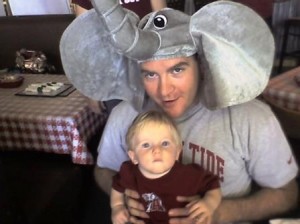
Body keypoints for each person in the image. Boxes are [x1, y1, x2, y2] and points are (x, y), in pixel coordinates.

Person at [60, 1, 299, 223]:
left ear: (202, 65)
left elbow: (287, 193)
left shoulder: (252, 118)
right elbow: (104, 169)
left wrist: (224, 212)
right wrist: (122, 194)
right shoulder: (124, 114)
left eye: (177, 70)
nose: (164, 90)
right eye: (150, 74)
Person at [111, 110, 222, 224]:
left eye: (165, 143)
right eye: (146, 145)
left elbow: (213, 186)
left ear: (177, 152)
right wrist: (117, 206)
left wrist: (209, 204)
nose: (157, 150)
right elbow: (116, 186)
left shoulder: (189, 174)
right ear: (133, 156)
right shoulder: (129, 172)